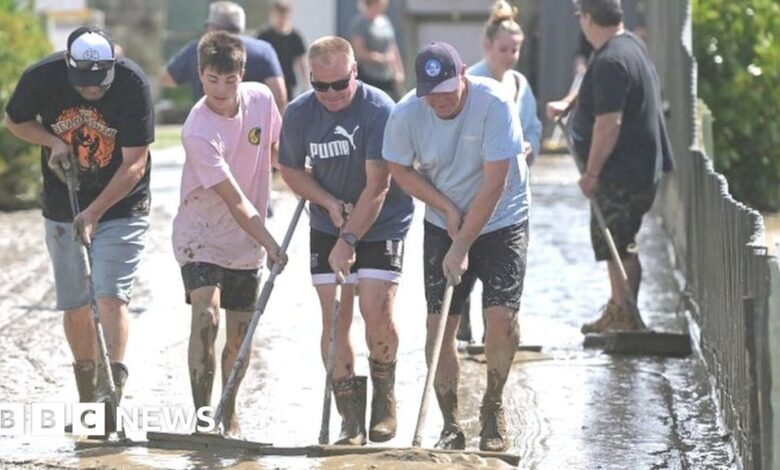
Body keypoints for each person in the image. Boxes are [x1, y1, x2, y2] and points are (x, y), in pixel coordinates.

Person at [4, 26, 154, 435]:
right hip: (62, 202)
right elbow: (15, 120)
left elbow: (135, 163)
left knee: (109, 295)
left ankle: (111, 402)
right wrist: (52, 142)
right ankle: (89, 403)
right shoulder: (41, 77)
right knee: (74, 305)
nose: (92, 90)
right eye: (83, 83)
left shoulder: (132, 83)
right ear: (69, 66)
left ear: (111, 67)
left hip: (122, 203)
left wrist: (94, 212)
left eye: (98, 82)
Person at [383, 42, 530, 452]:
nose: (441, 100)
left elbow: (495, 182)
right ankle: (450, 423)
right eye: (432, 93)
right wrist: (445, 209)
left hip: (503, 217)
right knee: (438, 327)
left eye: (448, 89)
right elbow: (398, 168)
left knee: (500, 318)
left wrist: (462, 243)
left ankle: (493, 403)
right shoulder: (407, 113)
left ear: (464, 72)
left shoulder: (494, 104)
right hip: (442, 219)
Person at [278, 36, 413, 446]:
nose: (332, 95)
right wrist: (328, 202)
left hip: (382, 218)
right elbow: (290, 169)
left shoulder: (379, 110)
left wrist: (350, 236)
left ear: (355, 72)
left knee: (376, 307)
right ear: (310, 79)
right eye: (321, 86)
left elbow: (379, 186)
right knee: (335, 316)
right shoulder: (299, 114)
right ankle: (350, 418)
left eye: (340, 84)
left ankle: (384, 401)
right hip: (327, 219)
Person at [171, 30, 286, 437]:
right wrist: (272, 243)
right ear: (199, 75)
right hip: (200, 234)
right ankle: (204, 420)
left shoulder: (261, 99)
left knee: (240, 335)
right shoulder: (198, 130)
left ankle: (229, 412)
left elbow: (277, 151)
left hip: (245, 243)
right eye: (211, 80)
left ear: (242, 73)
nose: (220, 90)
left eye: (229, 80)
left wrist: (307, 178)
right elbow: (236, 200)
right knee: (207, 315)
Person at [546, 0, 673, 334]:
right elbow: (596, 85)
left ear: (588, 18)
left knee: (620, 242)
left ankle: (626, 313)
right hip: (637, 169)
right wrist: (569, 103)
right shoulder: (627, 45)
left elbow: (608, 124)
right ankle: (619, 309)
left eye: (579, 16)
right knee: (616, 241)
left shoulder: (612, 60)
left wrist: (591, 173)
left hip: (621, 173)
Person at [459, 0, 542, 345]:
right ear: (487, 46)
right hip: (472, 187)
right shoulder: (471, 81)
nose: (511, 55)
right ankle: (461, 327)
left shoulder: (520, 84)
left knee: (502, 267)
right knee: (467, 260)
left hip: (512, 194)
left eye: (516, 49)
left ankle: (497, 332)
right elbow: (458, 132)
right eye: (505, 49)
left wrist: (529, 147)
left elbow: (533, 127)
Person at [162, 1, 287, 112]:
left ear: (213, 27)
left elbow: (167, 79)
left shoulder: (196, 49)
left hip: (206, 125)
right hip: (251, 129)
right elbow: (279, 96)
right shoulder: (264, 50)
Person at [349, 0, 405, 101]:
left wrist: (398, 70)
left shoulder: (385, 21)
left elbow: (392, 47)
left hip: (387, 75)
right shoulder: (361, 22)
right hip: (369, 75)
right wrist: (381, 58)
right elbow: (360, 51)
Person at [258, 0, 308, 99]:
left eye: (284, 14)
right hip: (267, 82)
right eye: (279, 14)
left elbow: (301, 62)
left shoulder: (295, 37)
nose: (281, 18)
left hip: (288, 82)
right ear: (273, 14)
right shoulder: (264, 36)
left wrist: (305, 84)